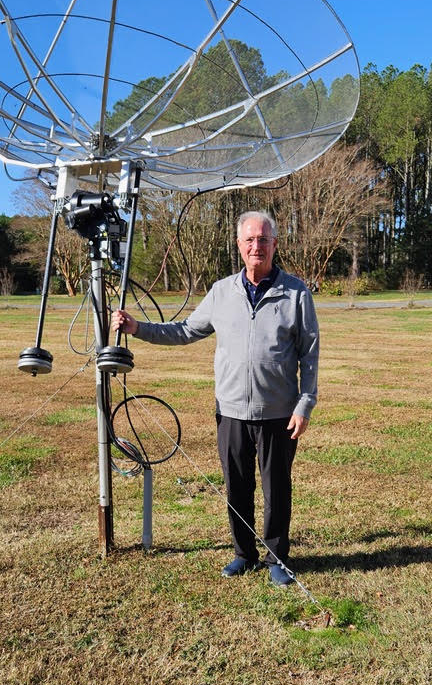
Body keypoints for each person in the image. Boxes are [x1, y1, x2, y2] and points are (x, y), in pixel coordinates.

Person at [111, 211, 318, 586]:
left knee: (277, 488)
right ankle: (244, 554)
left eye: (264, 239)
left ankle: (276, 558)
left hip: (279, 413)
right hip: (231, 412)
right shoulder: (222, 292)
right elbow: (186, 330)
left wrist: (305, 404)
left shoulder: (296, 293)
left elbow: (310, 352)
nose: (257, 246)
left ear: (275, 244)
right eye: (250, 240)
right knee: (236, 485)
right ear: (239, 246)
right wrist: (137, 328)